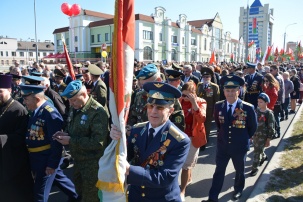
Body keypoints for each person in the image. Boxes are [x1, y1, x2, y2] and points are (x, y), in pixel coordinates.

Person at [110, 81, 190, 202]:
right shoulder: (137, 129)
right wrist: (115, 139)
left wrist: (129, 170)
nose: (153, 111)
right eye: (150, 106)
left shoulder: (179, 141)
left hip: (161, 198)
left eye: (160, 107)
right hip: (136, 196)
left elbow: (164, 178)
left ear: (171, 111)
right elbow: (125, 156)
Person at [203, 75, 257, 202]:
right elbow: (218, 123)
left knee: (239, 171)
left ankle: (238, 190)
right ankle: (213, 197)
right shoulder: (218, 106)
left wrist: (243, 138)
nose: (230, 93)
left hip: (239, 146)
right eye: (228, 90)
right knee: (219, 172)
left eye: (233, 90)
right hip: (223, 146)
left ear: (238, 91)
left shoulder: (247, 108)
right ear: (224, 91)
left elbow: (252, 127)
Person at [53, 80, 109, 202]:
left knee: (91, 198)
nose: (71, 103)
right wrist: (65, 134)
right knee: (80, 194)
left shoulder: (97, 112)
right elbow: (74, 128)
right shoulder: (76, 107)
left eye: (73, 100)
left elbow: (98, 143)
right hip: (78, 161)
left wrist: (71, 141)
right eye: (69, 100)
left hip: (93, 166)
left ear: (84, 95)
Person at [20, 84, 64, 202]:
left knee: (40, 195)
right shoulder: (36, 110)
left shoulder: (50, 113)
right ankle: (76, 197)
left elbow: (56, 142)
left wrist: (52, 164)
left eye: (26, 99)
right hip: (37, 159)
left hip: (45, 161)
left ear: (37, 99)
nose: (24, 102)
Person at [0, 75, 34, 202]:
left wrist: (1, 139)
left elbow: (21, 137)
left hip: (14, 162)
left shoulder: (18, 110)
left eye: (0, 91)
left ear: (9, 90)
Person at [128, 64, 185, 131]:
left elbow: (178, 125)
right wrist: (131, 130)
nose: (144, 89)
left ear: (158, 80)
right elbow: (133, 117)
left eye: (147, 85)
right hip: (141, 137)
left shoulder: (170, 97)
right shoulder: (139, 96)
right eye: (142, 85)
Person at [179, 81, 207, 201]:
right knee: (182, 163)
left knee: (186, 165)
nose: (185, 98)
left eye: (187, 96)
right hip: (179, 136)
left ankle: (182, 191)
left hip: (193, 137)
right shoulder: (179, 101)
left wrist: (194, 103)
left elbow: (201, 119)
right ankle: (188, 179)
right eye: (183, 95)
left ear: (194, 94)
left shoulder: (201, 102)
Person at [250, 93, 275, 176]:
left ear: (266, 103)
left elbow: (271, 127)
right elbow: (252, 123)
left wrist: (268, 139)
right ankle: (263, 157)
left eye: (261, 102)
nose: (259, 103)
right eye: (258, 102)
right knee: (258, 149)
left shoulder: (269, 113)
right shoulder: (256, 111)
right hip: (255, 135)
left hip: (263, 136)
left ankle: (254, 168)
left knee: (256, 153)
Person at [196, 67, 220, 144]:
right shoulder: (199, 85)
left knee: (207, 126)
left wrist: (215, 111)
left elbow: (216, 100)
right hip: (199, 109)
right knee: (199, 125)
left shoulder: (214, 87)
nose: (205, 78)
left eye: (207, 77)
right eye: (204, 76)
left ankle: (205, 141)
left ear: (210, 77)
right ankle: (199, 139)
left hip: (209, 110)